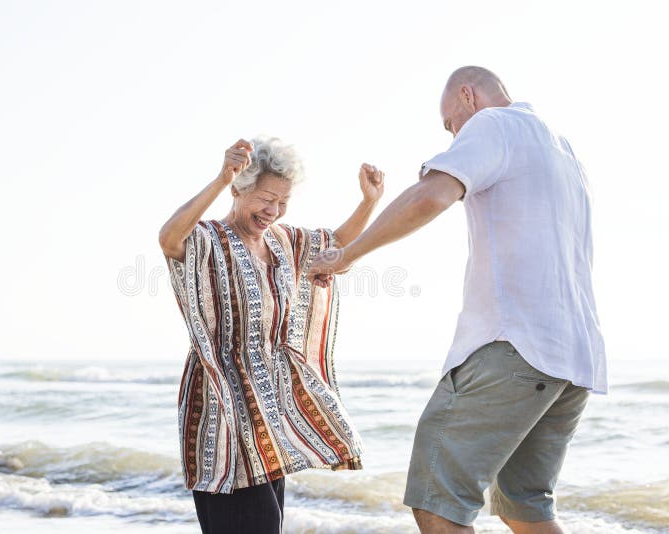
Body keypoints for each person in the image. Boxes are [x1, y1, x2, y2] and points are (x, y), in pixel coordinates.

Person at [308, 66, 607, 533]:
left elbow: (431, 196)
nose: (453, 136)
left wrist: (346, 255)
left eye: (451, 124)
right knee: (524, 506)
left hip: (515, 346)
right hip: (574, 360)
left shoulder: (494, 124)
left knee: (437, 500)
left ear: (467, 96)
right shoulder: (564, 150)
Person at [159, 137, 384, 534]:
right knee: (252, 523)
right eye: (265, 199)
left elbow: (336, 243)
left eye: (282, 202)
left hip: (268, 409)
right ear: (238, 189)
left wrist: (368, 202)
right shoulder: (207, 239)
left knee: (268, 522)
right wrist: (218, 178)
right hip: (221, 405)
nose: (273, 211)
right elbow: (169, 238)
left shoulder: (283, 243)